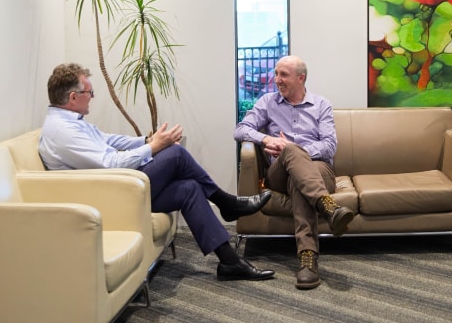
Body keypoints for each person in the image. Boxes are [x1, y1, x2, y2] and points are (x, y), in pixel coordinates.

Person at [39, 63, 274, 281]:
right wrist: (153, 147)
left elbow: (107, 139)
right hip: (110, 196)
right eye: (89, 92)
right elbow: (110, 163)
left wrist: (146, 140)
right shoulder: (63, 131)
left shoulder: (72, 122)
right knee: (177, 154)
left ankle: (230, 262)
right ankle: (227, 202)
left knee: (189, 189)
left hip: (117, 187)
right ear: (72, 97)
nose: (92, 97)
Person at [234, 56, 354, 290]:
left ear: (301, 78)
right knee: (290, 153)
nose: (276, 79)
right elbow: (240, 130)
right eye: (276, 74)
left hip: (319, 169)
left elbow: (329, 146)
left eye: (283, 75)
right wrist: (268, 139)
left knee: (298, 176)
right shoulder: (268, 102)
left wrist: (295, 149)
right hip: (279, 172)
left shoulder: (321, 105)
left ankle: (308, 260)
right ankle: (327, 206)